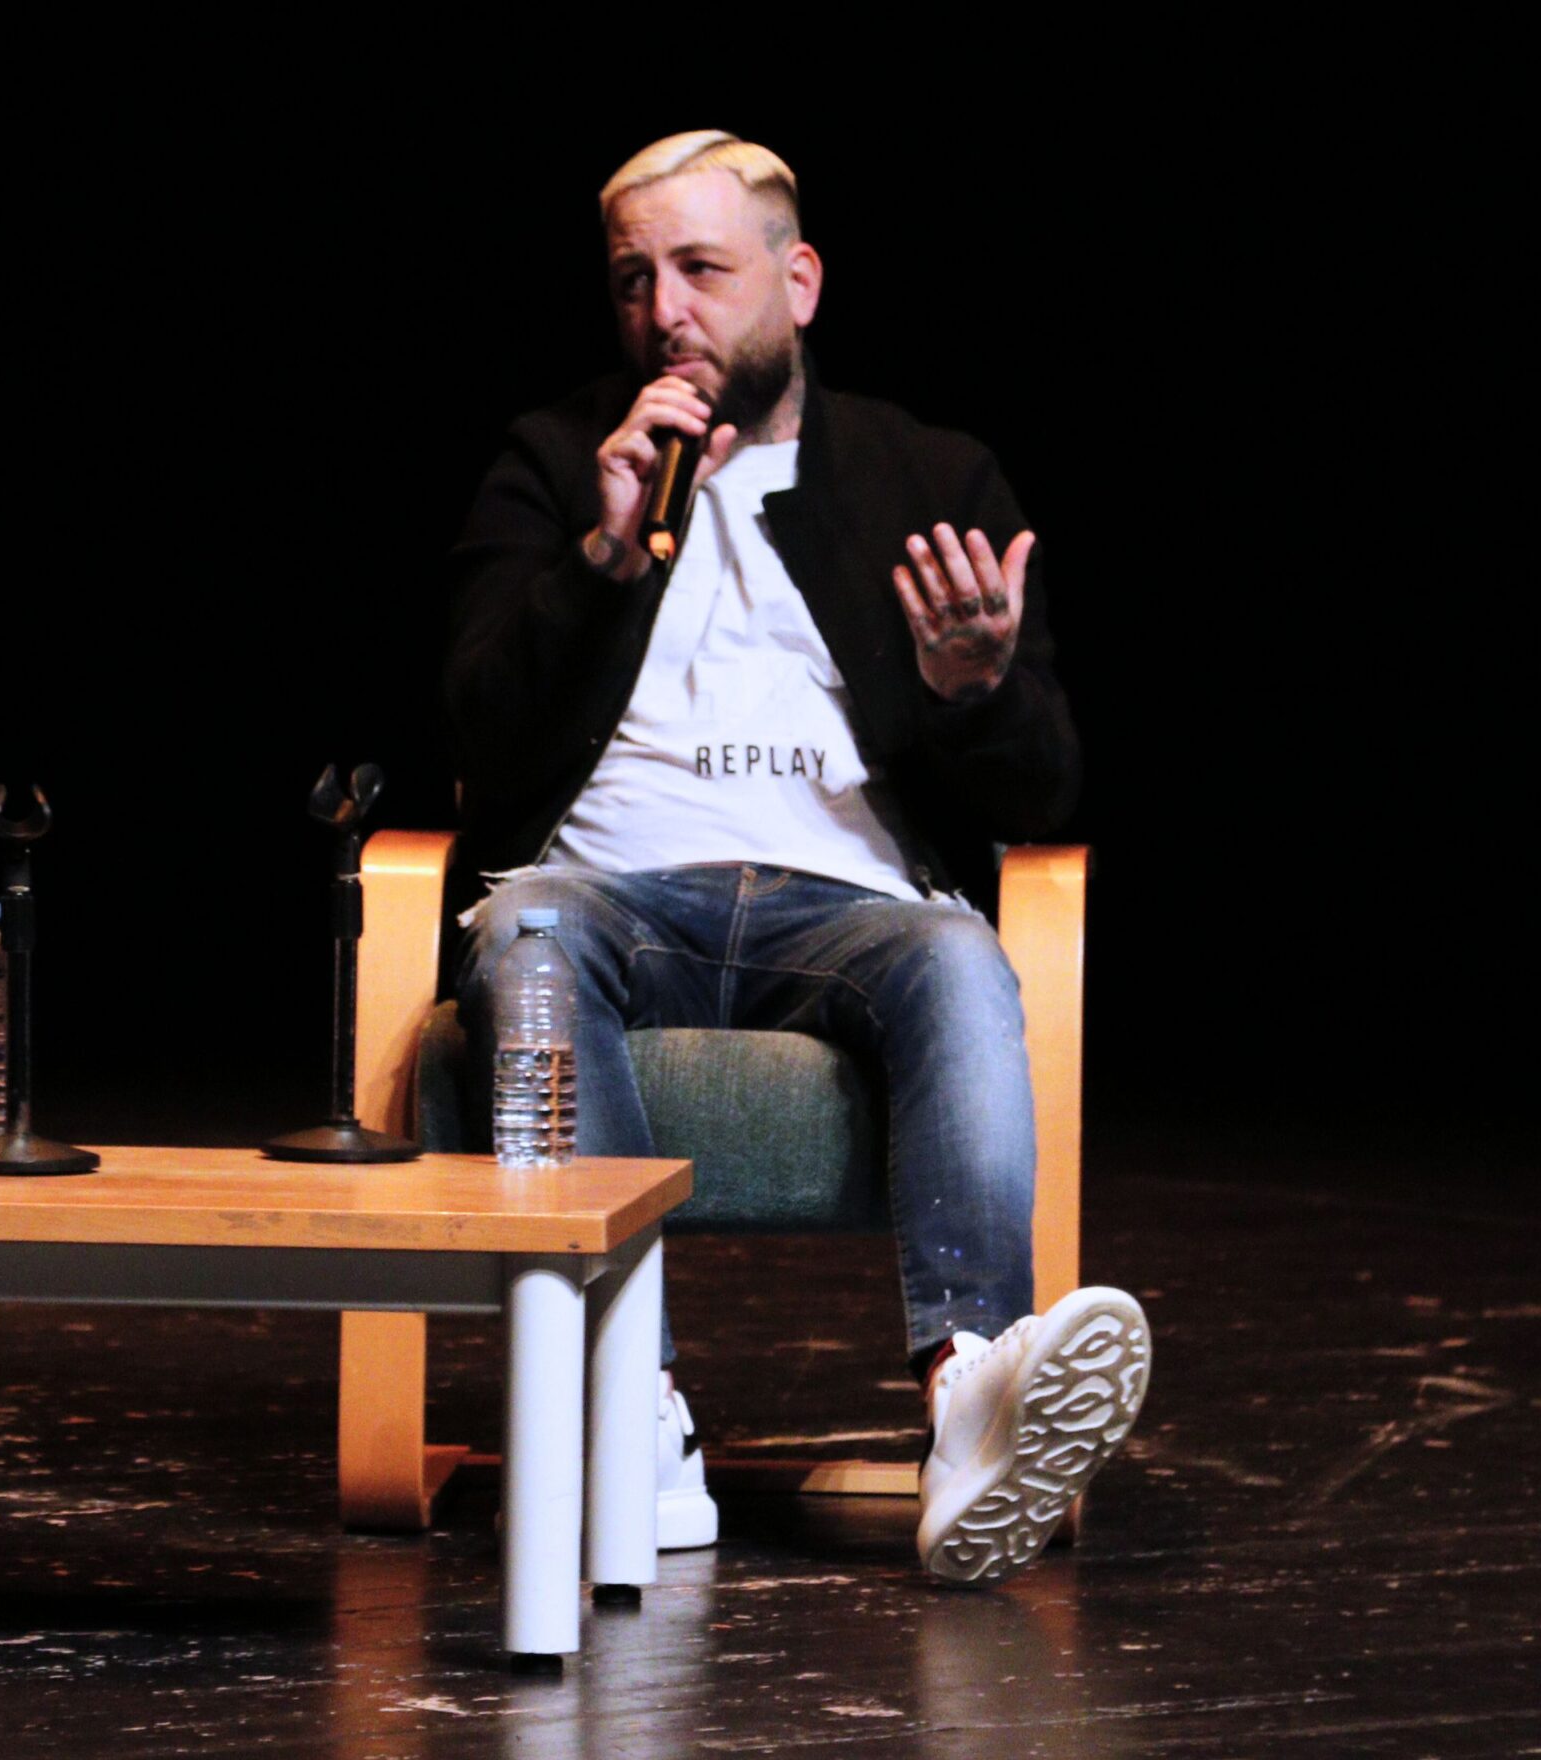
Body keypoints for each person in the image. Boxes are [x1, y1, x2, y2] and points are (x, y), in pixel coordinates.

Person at [443, 130, 1150, 1587]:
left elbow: (1045, 790)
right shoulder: (555, 463)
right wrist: (603, 559)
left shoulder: (928, 474)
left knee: (961, 955)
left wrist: (975, 693)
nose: (666, 313)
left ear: (800, 281)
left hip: (850, 911)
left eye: (702, 270)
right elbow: (477, 739)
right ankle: (629, 1412)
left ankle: (973, 1408)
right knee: (525, 936)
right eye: (634, 280)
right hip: (610, 898)